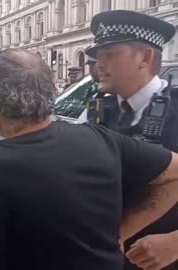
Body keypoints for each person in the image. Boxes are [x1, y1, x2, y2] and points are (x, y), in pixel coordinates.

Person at [0, 48, 178, 270]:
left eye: (111, 54)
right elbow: (174, 171)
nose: (101, 65)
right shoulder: (100, 138)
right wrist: (121, 232)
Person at [83, 10, 178, 270]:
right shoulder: (97, 111)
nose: (98, 65)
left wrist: (174, 242)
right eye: (97, 56)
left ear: (145, 58)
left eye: (110, 55)